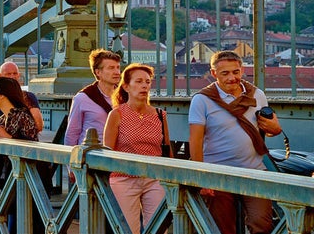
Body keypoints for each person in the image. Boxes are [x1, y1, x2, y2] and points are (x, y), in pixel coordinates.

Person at [188, 51, 282, 234]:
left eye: (236, 72)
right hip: (218, 172)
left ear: (242, 70)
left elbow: (267, 131)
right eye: (225, 73)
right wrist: (200, 177)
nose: (232, 78)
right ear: (214, 73)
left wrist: (275, 129)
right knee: (222, 228)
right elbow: (195, 140)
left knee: (262, 224)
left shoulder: (257, 95)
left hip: (254, 171)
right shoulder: (202, 100)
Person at [103, 63, 172, 234]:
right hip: (123, 178)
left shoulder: (160, 115)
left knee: (158, 228)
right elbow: (107, 152)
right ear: (126, 86)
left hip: (154, 178)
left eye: (147, 82)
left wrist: (172, 176)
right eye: (139, 81)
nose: (144, 86)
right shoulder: (117, 114)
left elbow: (167, 149)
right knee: (128, 229)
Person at [0, 74, 42, 234]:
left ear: (2, 95)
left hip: (24, 181)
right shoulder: (6, 116)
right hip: (10, 180)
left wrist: (7, 137)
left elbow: (30, 148)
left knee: (19, 222)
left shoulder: (23, 116)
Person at [64, 49, 121, 181]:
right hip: (92, 161)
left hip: (118, 160)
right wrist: (71, 166)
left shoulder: (124, 97)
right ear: (98, 72)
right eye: (111, 68)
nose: (117, 72)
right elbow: (72, 134)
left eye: (118, 67)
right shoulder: (83, 98)